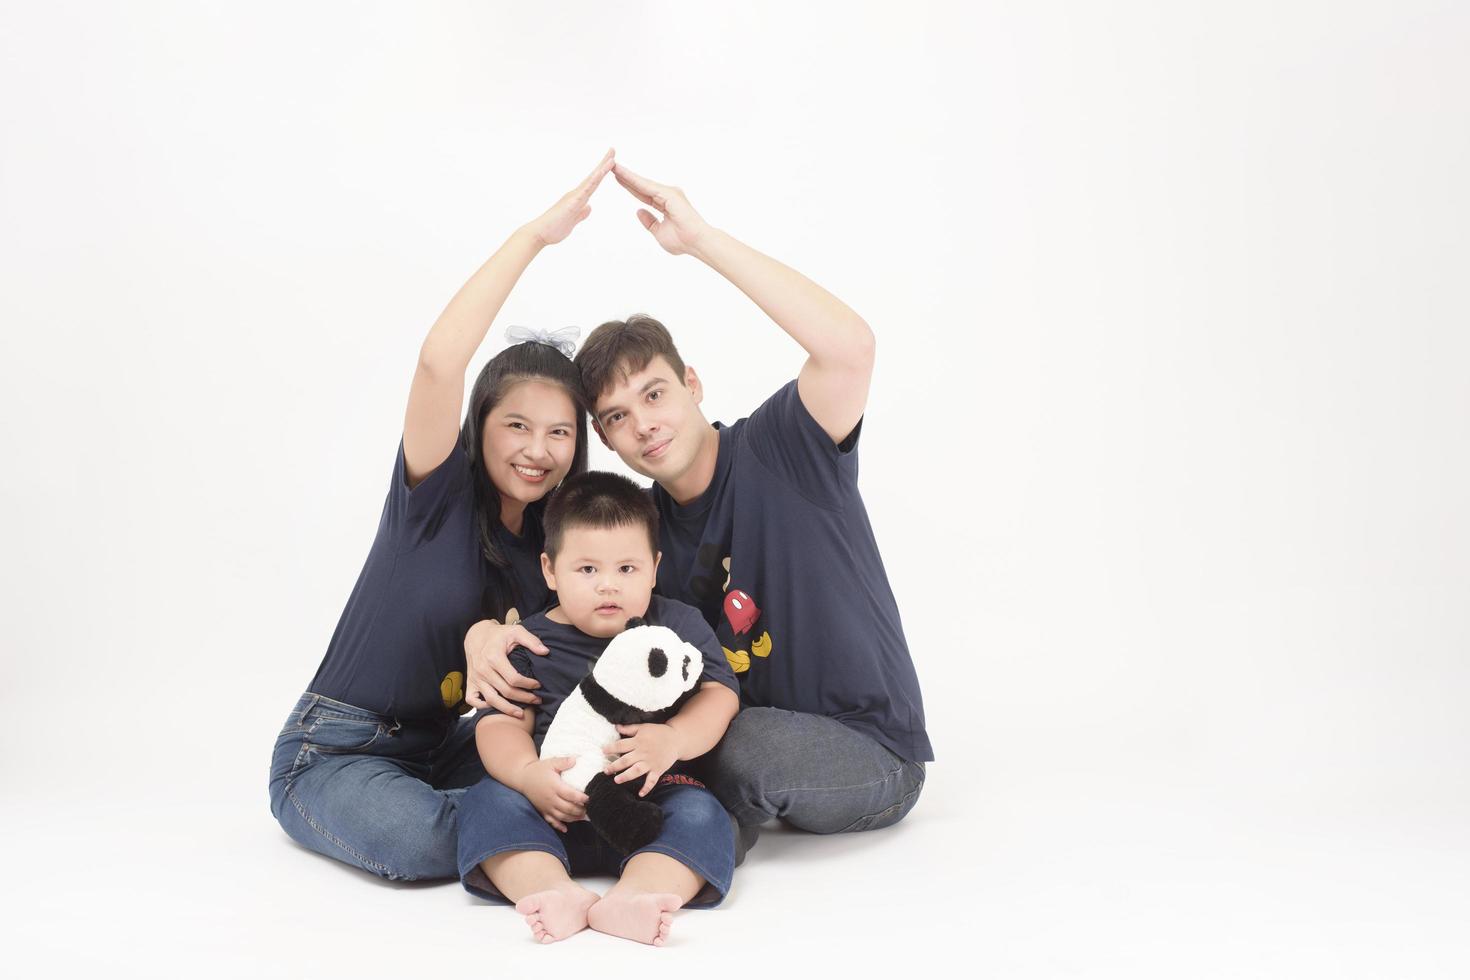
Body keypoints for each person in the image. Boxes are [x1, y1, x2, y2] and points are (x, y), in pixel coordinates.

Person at [267, 150, 617, 881]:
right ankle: (576, 832)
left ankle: (567, 819)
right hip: (336, 751)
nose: (538, 450)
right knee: (424, 843)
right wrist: (533, 238)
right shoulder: (436, 492)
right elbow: (437, 363)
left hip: (443, 746)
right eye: (516, 426)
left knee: (562, 752)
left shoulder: (552, 552)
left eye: (559, 433)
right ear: (480, 425)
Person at [573, 161, 933, 838]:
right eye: (619, 416)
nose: (645, 423)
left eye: (654, 393)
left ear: (692, 383)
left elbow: (851, 348)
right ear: (606, 437)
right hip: (749, 734)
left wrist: (701, 240)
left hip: (873, 754)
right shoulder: (645, 539)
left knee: (734, 747)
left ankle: (686, 842)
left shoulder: (780, 448)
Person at [457, 471, 740, 946]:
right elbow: (501, 723)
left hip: (649, 800)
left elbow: (720, 694)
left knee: (704, 816)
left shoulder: (677, 624)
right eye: (587, 570)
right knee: (487, 804)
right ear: (550, 570)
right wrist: (528, 774)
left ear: (654, 567)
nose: (608, 587)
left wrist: (674, 738)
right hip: (552, 806)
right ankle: (550, 887)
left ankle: (638, 894)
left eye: (626, 570)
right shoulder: (531, 640)